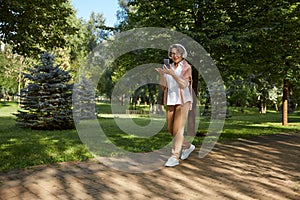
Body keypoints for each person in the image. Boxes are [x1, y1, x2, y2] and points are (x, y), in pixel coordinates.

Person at [155, 44, 195, 167]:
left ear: (182, 54)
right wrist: (162, 74)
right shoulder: (169, 67)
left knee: (178, 129)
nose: (174, 56)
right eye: (172, 53)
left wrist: (172, 74)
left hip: (183, 101)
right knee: (170, 129)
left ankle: (174, 156)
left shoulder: (186, 66)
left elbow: (184, 84)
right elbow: (164, 86)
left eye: (177, 53)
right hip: (171, 100)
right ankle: (188, 146)